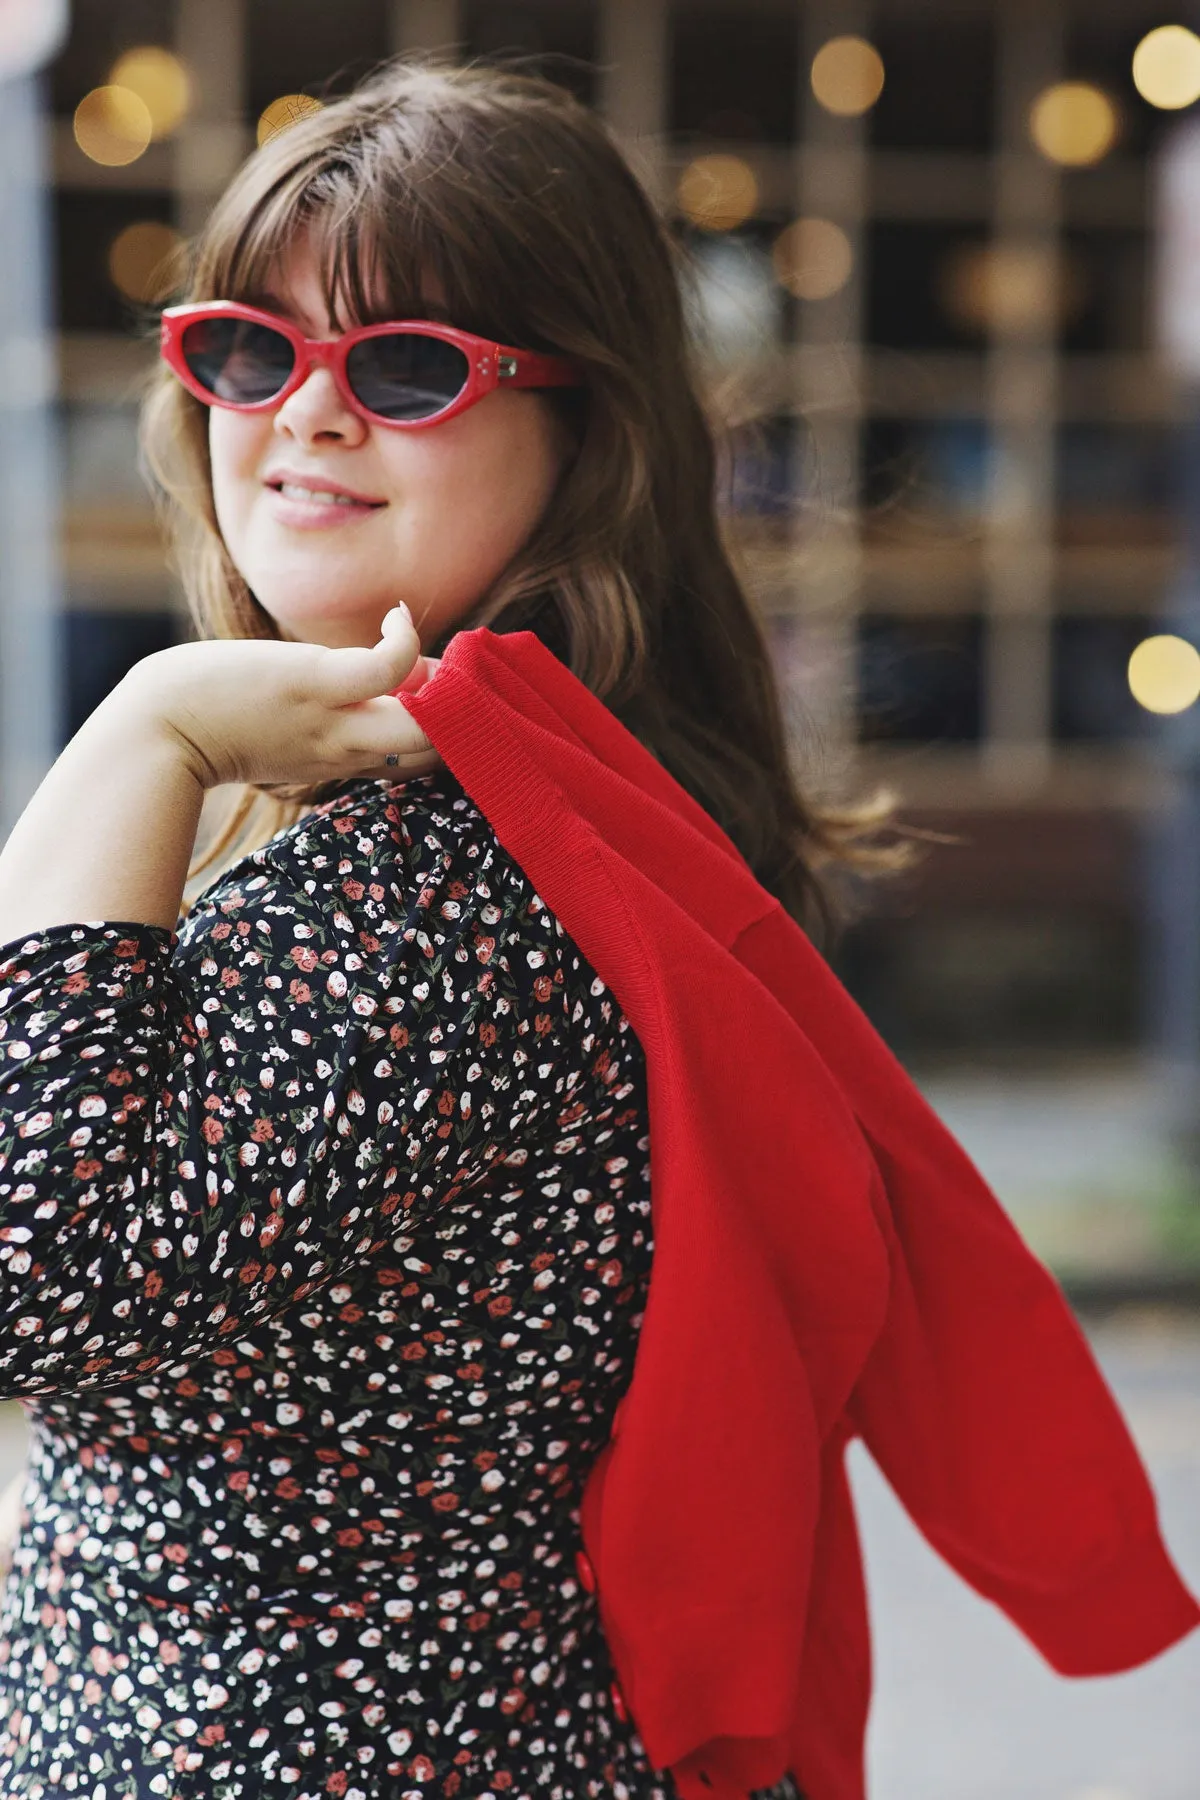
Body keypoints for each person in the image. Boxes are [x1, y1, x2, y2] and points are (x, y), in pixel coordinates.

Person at [0, 52, 1192, 1800]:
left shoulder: (428, 887)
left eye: (405, 366)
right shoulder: (558, 802)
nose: (305, 413)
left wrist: (141, 727)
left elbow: (26, 1278)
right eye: (251, 347)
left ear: (586, 438)